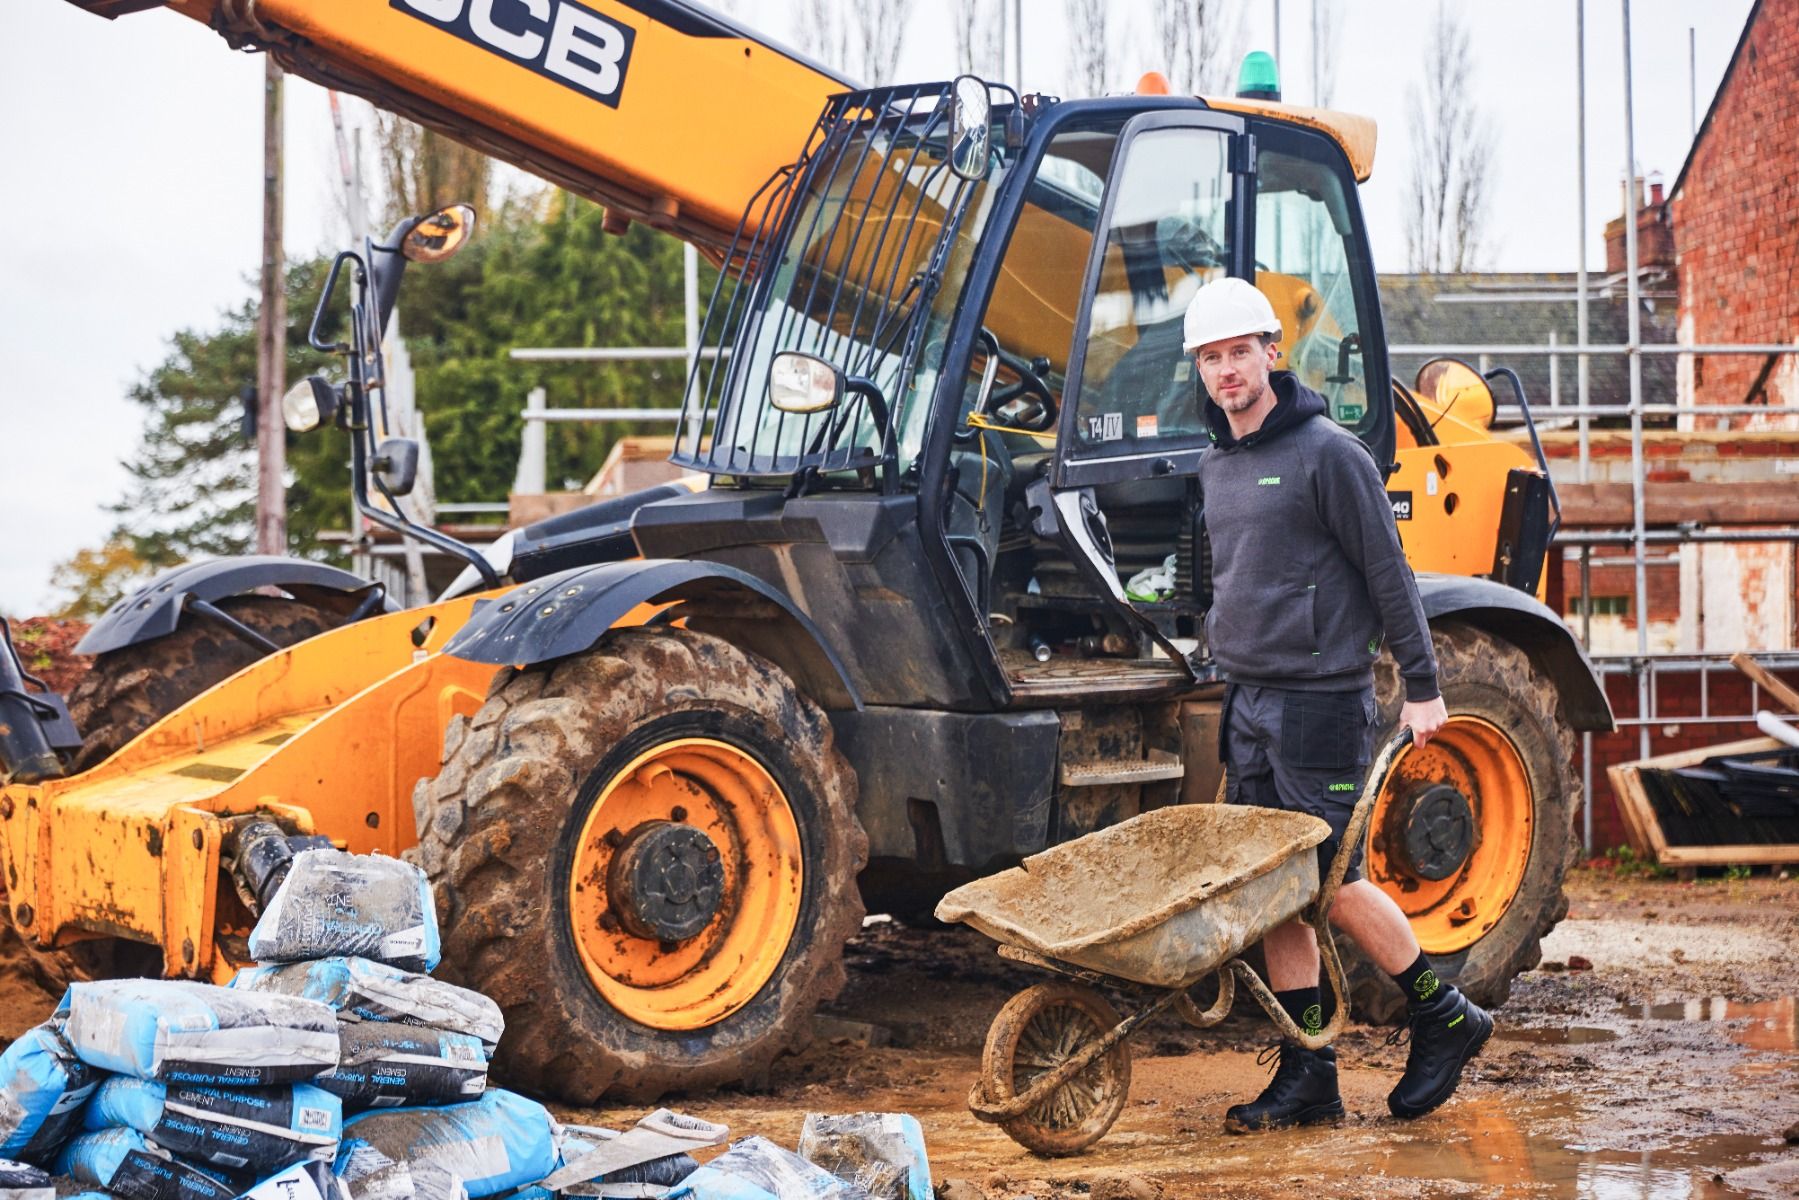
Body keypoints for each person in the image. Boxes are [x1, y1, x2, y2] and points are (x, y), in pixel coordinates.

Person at [1187, 276, 1493, 1130]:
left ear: (1270, 354)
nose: (1226, 372)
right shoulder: (1217, 464)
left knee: (1327, 880)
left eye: (1238, 353)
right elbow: (1230, 575)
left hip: (1320, 703)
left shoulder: (1328, 453)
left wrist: (1423, 686)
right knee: (1274, 890)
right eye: (1210, 359)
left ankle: (1442, 1012)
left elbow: (1387, 575)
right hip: (1247, 700)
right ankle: (1309, 1070)